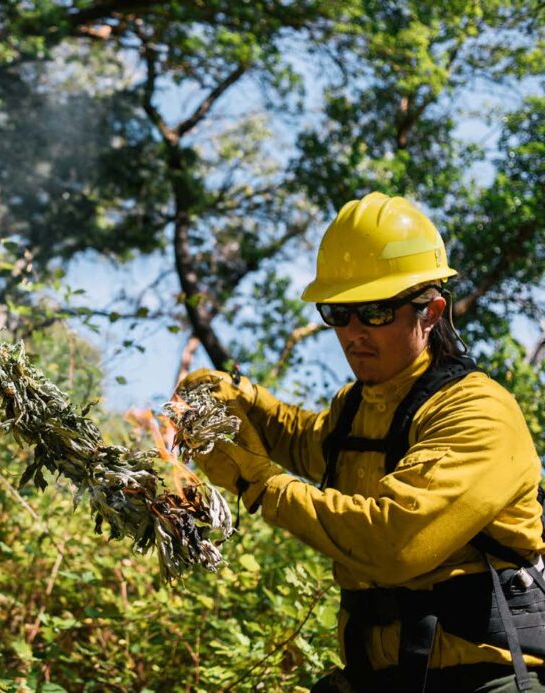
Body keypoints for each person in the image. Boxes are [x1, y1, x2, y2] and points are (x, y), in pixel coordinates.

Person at [187, 192, 545, 692]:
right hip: (378, 677)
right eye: (340, 311)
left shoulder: (477, 413)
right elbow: (305, 439)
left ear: (431, 310)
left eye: (375, 311)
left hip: (484, 676)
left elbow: (396, 542)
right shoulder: (357, 406)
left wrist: (260, 485)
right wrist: (240, 399)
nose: (354, 332)